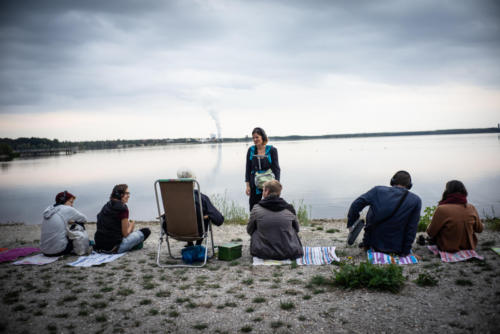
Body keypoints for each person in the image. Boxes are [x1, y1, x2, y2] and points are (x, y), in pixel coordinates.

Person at [346, 170, 422, 256]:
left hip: (373, 245)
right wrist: (406, 252)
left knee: (373, 207)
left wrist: (351, 224)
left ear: (392, 181)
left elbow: (355, 205)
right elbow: (411, 228)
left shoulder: (377, 190)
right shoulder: (416, 200)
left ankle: (366, 244)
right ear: (409, 185)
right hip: (397, 249)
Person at [247, 180, 303, 260]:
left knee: (255, 228)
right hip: (289, 252)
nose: (262, 193)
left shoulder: (256, 208)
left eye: (263, 190)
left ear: (267, 191)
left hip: (262, 252)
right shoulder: (289, 208)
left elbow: (249, 230)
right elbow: (297, 229)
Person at [426, 180, 483, 252]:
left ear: (447, 191)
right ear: (464, 191)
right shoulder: (471, 207)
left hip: (447, 247)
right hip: (469, 246)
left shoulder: (441, 209)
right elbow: (479, 229)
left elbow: (430, 232)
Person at [174, 168, 224, 246]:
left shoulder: (172, 197)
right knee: (204, 217)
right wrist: (209, 216)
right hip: (197, 231)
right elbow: (219, 219)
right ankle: (198, 244)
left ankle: (190, 243)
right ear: (193, 182)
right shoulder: (201, 198)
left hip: (175, 231)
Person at [94, 184, 150, 253]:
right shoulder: (123, 208)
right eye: (126, 193)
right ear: (119, 194)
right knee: (146, 231)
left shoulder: (107, 205)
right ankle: (133, 246)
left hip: (99, 245)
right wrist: (132, 225)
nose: (129, 196)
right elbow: (125, 234)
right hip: (114, 247)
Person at [40, 191, 87, 256]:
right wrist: (73, 221)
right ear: (63, 200)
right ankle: (81, 249)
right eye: (70, 202)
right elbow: (84, 219)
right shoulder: (67, 209)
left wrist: (67, 220)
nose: (72, 205)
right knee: (79, 224)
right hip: (59, 251)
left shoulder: (49, 210)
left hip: (44, 251)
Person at [245, 127, 281, 211]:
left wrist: (277, 185)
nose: (255, 139)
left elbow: (276, 169)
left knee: (271, 205)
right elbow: (248, 169)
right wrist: (247, 186)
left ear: (262, 137)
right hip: (255, 183)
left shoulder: (272, 150)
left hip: (269, 182)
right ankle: (254, 222)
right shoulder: (251, 150)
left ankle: (269, 222)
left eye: (257, 137)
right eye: (253, 137)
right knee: (254, 206)